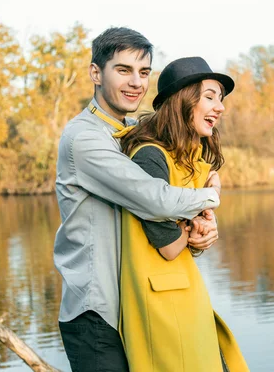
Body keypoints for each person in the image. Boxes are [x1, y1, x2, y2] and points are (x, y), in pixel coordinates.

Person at [54, 29, 222, 372]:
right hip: (97, 314)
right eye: (123, 70)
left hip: (138, 307)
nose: (136, 83)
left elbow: (161, 218)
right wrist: (212, 195)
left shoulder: (136, 134)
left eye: (143, 73)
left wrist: (201, 230)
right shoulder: (83, 138)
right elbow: (155, 199)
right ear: (96, 73)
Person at [118, 57, 250, 371]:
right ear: (182, 101)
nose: (219, 107)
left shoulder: (187, 159)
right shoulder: (150, 156)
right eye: (209, 96)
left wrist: (201, 231)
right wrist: (196, 227)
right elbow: (168, 246)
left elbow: (186, 239)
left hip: (184, 296)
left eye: (220, 98)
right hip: (161, 307)